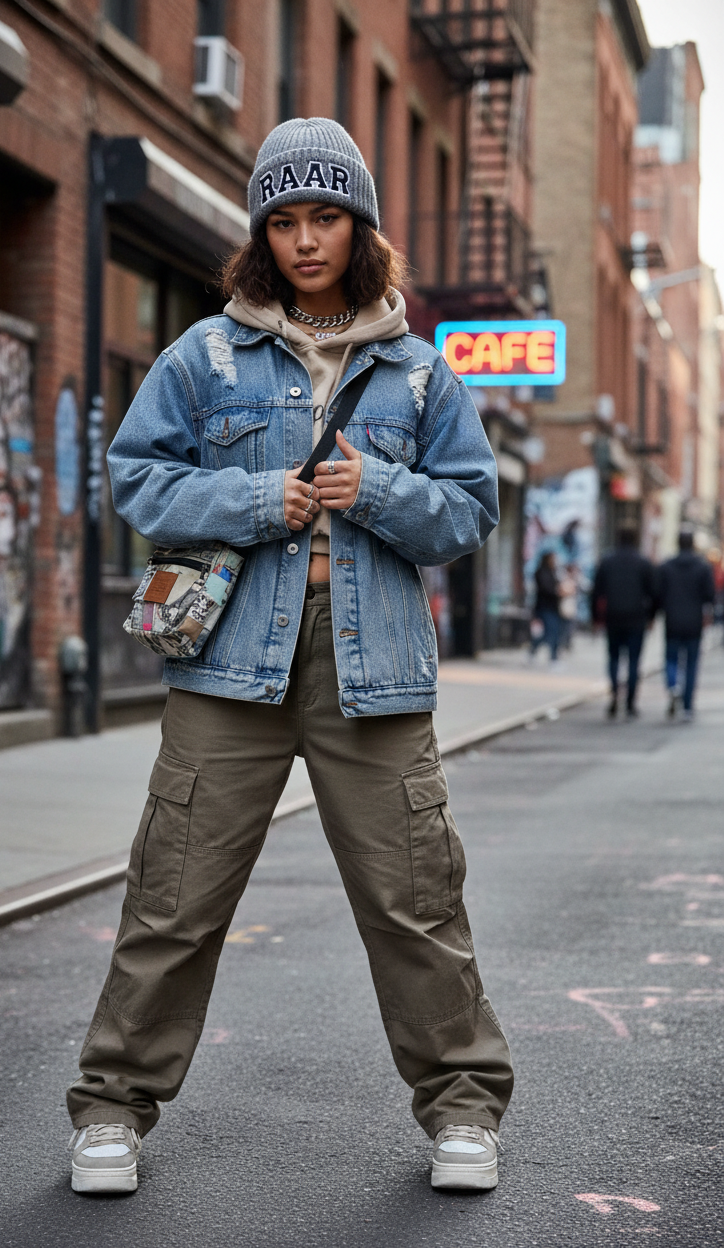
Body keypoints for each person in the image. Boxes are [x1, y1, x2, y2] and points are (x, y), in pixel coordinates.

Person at [65, 118, 513, 1196]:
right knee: (172, 897)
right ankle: (112, 1112)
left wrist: (387, 493)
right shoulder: (204, 355)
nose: (304, 237)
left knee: (416, 902)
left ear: (360, 227)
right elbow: (135, 478)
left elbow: (471, 511)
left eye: (325, 216)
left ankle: (460, 1110)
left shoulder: (417, 374)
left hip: (377, 674)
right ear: (260, 232)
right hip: (228, 667)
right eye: (283, 218)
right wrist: (258, 499)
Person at [590, 526, 657, 718]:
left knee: (613, 658)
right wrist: (651, 617)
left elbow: (596, 593)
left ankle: (614, 696)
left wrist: (596, 619)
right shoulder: (643, 563)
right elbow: (653, 593)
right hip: (636, 618)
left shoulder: (608, 561)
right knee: (634, 662)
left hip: (613, 617)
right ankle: (630, 702)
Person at [658, 530, 715, 721]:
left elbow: (658, 594)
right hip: (694, 621)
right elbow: (710, 595)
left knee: (671, 659)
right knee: (691, 664)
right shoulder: (702, 567)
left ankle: (673, 685)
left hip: (672, 620)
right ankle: (688, 706)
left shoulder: (667, 566)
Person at [529, 551, 562, 663]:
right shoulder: (541, 572)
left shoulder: (554, 572)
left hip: (553, 607)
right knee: (549, 633)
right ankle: (553, 658)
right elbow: (546, 589)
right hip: (544, 607)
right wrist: (558, 592)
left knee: (549, 633)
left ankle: (533, 653)